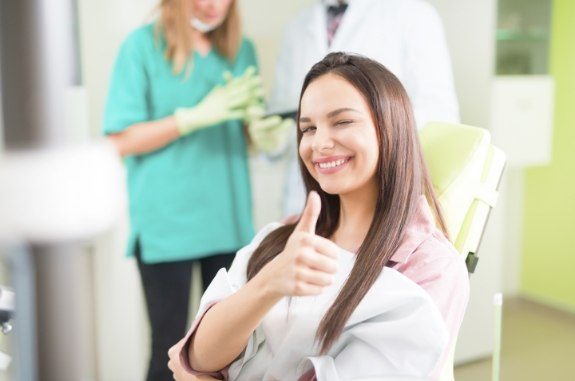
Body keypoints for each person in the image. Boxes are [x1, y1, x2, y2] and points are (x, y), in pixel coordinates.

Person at [167, 53, 469, 380]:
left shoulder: (430, 267)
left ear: (390, 128)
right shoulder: (284, 236)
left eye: (342, 121)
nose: (320, 143)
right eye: (308, 128)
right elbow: (198, 355)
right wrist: (270, 282)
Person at [102, 0, 266, 379]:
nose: (212, 5)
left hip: (228, 221)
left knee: (232, 351)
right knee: (170, 347)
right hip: (166, 227)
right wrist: (189, 119)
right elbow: (119, 139)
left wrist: (263, 131)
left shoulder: (241, 49)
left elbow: (246, 132)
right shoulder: (141, 47)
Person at [269, 0, 460, 216]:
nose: (322, 141)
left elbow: (438, 114)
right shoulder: (297, 27)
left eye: (343, 121)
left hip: (383, 200)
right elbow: (286, 116)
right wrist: (272, 137)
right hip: (306, 200)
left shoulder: (412, 15)